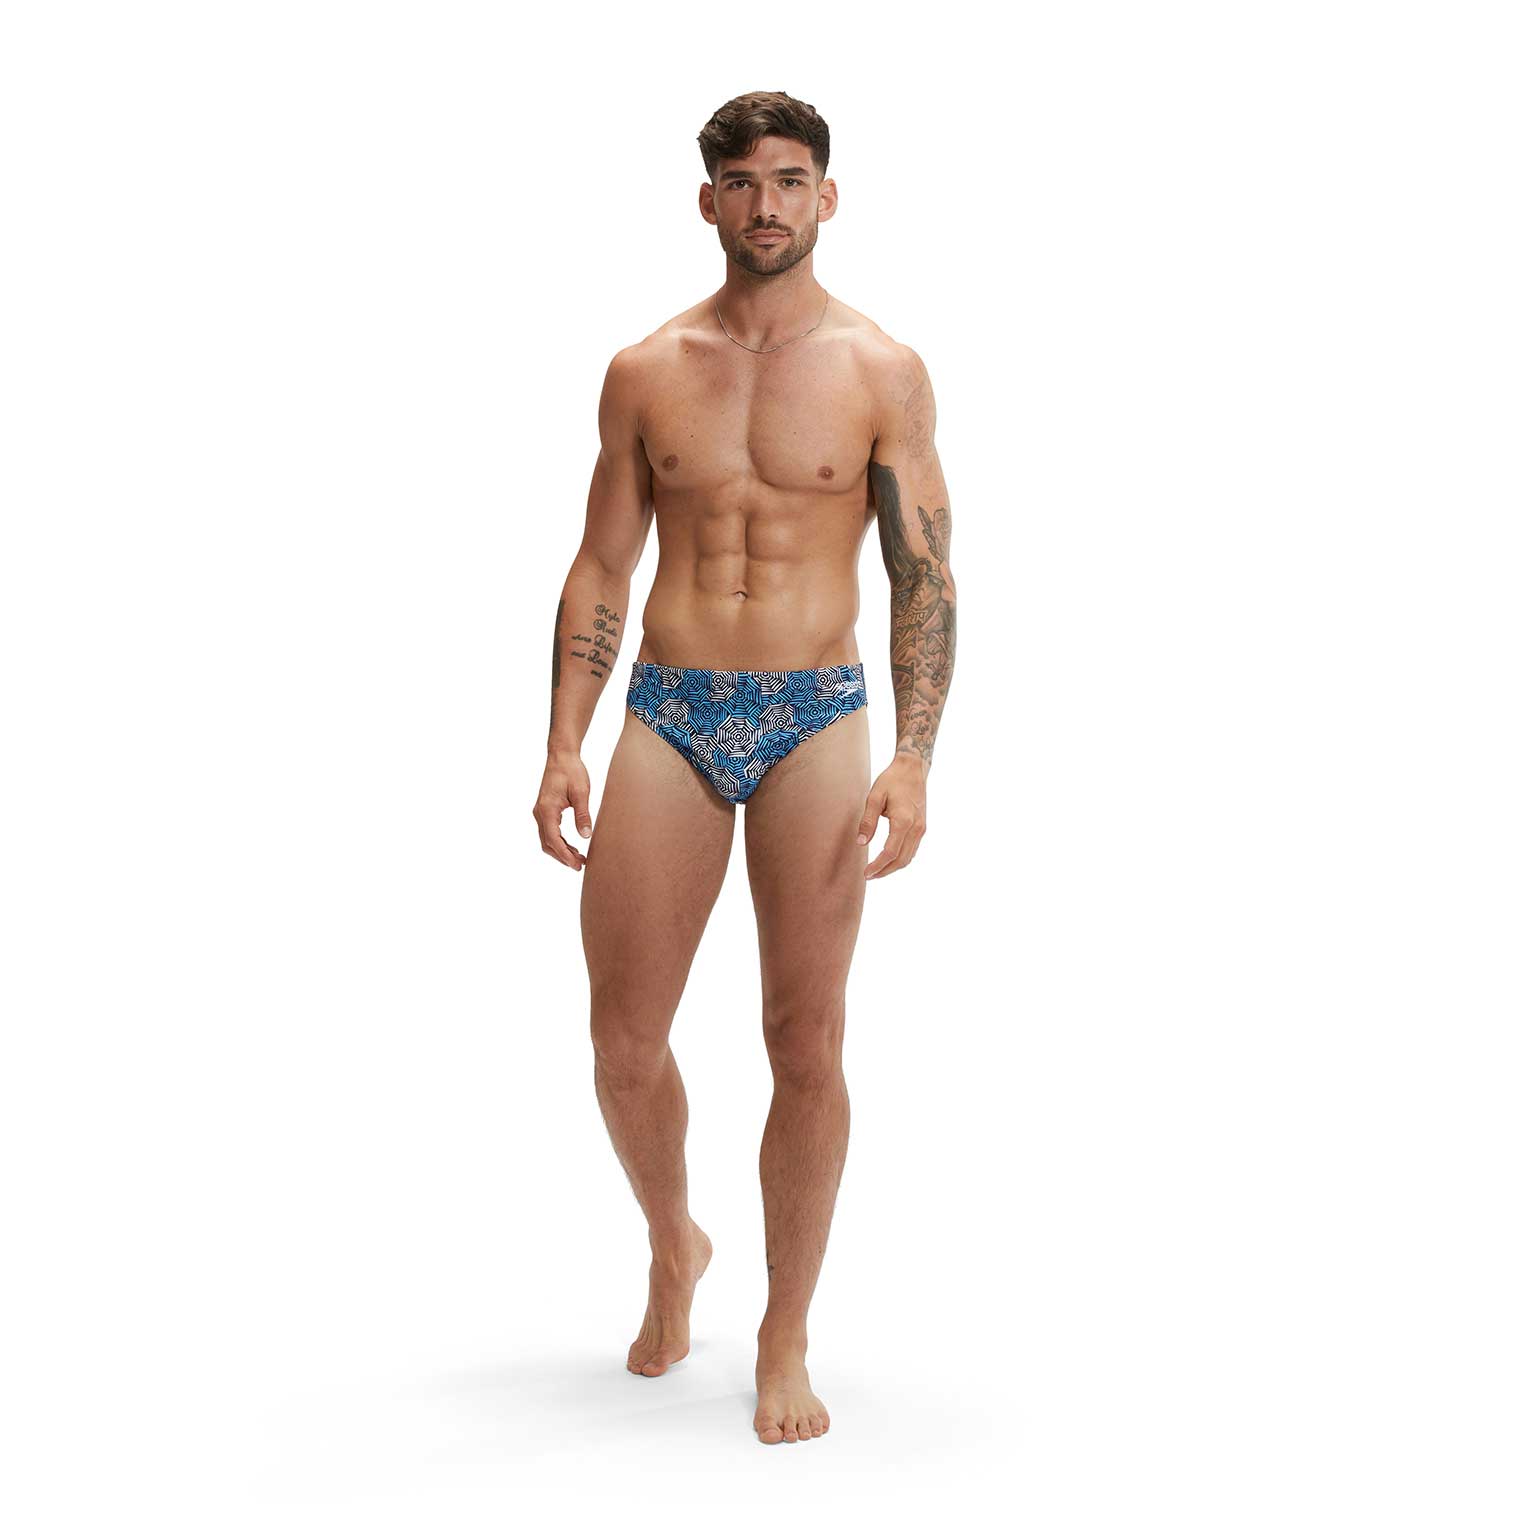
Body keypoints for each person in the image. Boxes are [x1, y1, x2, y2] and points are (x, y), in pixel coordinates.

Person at [533, 89, 958, 1445]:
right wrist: (564, 740)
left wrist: (915, 757)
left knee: (805, 1039)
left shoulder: (883, 370)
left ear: (827, 197)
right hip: (668, 706)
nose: (765, 204)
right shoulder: (645, 369)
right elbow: (604, 563)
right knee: (622, 1037)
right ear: (707, 200)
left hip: (815, 715)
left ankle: (785, 1330)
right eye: (741, 181)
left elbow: (924, 574)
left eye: (789, 178)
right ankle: (676, 1241)